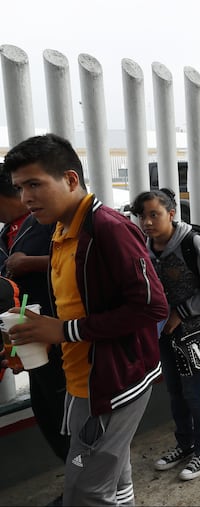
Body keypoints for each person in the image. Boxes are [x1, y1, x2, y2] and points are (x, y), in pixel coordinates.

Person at [4, 133, 168, 505]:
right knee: (113, 480)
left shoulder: (108, 229)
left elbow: (152, 307)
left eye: (34, 184)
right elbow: (79, 303)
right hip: (84, 377)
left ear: (70, 180)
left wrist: (62, 330)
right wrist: (40, 329)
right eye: (19, 187)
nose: (25, 197)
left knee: (86, 492)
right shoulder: (62, 230)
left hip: (112, 384)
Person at [131, 188, 200, 480]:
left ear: (171, 214)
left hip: (192, 333)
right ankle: (184, 444)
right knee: (174, 391)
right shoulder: (145, 247)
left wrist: (181, 312)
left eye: (154, 215)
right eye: (142, 216)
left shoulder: (192, 244)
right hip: (163, 334)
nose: (147, 222)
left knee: (194, 393)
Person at [0, 167, 69, 475]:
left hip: (62, 336)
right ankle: (79, 483)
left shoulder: (52, 221)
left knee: (70, 417)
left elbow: (82, 259)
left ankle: (93, 488)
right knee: (48, 414)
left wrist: (31, 263)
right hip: (30, 340)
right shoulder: (6, 233)